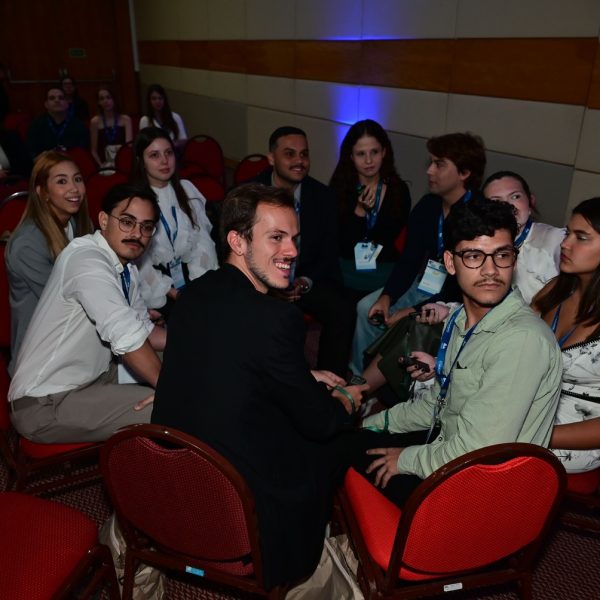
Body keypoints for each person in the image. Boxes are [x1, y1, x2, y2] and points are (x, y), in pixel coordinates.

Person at [152, 183, 368, 589]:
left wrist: (304, 377)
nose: (291, 250)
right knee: (349, 438)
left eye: (294, 238)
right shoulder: (276, 318)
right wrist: (344, 399)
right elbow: (318, 422)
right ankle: (323, 555)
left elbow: (232, 360)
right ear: (237, 241)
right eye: (276, 238)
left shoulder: (194, 295)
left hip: (177, 479)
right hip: (242, 497)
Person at [351, 197, 562, 506]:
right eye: (474, 256)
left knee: (342, 452)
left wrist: (406, 459)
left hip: (479, 496)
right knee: (351, 437)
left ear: (514, 260)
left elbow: (480, 451)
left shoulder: (522, 341)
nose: (491, 270)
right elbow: (437, 403)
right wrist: (373, 422)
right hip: (452, 455)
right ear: (450, 263)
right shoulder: (462, 319)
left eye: (502, 255)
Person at [8, 183, 165, 443]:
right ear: (103, 220)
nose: (137, 233)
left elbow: (145, 331)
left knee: (187, 359)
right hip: (44, 402)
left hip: (94, 378)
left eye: (146, 227)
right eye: (127, 222)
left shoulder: (126, 269)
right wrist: (170, 390)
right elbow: (126, 335)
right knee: (173, 409)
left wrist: (194, 339)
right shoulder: (87, 260)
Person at [350, 132, 486, 374]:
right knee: (366, 308)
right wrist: (388, 296)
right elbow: (409, 260)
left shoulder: (478, 215)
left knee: (410, 323)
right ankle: (358, 377)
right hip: (425, 283)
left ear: (464, 173)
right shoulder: (428, 205)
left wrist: (412, 311)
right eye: (431, 162)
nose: (429, 171)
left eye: (439, 164)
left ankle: (384, 383)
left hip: (457, 297)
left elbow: (462, 285)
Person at [255, 126, 356, 376]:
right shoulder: (252, 194)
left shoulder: (323, 197)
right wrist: (272, 284)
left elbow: (328, 253)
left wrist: (303, 282)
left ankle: (330, 382)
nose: (299, 161)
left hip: (305, 278)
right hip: (263, 280)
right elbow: (243, 252)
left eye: (304, 154)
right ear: (271, 158)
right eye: (290, 154)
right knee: (279, 321)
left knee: (343, 310)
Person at [6, 151, 93, 373]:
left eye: (77, 179)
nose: (74, 188)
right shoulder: (27, 244)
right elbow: (67, 302)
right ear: (42, 191)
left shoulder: (81, 226)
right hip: (40, 361)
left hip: (77, 343)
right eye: (62, 181)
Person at [534, 198, 600, 473]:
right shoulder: (556, 290)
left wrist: (538, 433)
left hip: (574, 435)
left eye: (581, 237)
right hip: (530, 410)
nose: (565, 244)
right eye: (568, 233)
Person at [131, 127, 218, 314]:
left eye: (168, 153)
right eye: (154, 155)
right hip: (156, 286)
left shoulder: (186, 189)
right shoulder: (135, 201)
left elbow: (202, 241)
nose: (164, 161)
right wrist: (171, 292)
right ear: (141, 161)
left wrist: (199, 283)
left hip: (190, 275)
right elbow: (138, 262)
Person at [330, 119, 411, 292]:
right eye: (361, 154)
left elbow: (389, 241)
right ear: (351, 156)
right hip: (346, 268)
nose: (368, 160)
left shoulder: (398, 190)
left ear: (384, 152)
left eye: (374, 152)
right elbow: (343, 245)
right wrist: (359, 211)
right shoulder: (339, 189)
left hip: (383, 269)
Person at [26, 87, 89, 159]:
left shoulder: (78, 125)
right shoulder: (36, 125)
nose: (57, 100)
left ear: (67, 103)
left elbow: (83, 151)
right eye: (52, 98)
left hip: (71, 162)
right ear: (46, 104)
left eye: (61, 98)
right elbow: (31, 152)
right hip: (45, 163)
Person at [89, 87, 132, 167]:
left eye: (108, 97)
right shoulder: (95, 122)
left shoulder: (126, 119)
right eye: (102, 99)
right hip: (104, 165)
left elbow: (128, 147)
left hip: (123, 162)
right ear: (99, 102)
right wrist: (101, 166)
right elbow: (93, 151)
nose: (105, 101)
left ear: (114, 99)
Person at [139, 84, 187, 150]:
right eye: (154, 99)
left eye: (160, 98)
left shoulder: (175, 117)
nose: (157, 101)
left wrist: (171, 144)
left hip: (173, 152)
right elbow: (142, 144)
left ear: (164, 100)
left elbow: (184, 140)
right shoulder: (145, 120)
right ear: (149, 101)